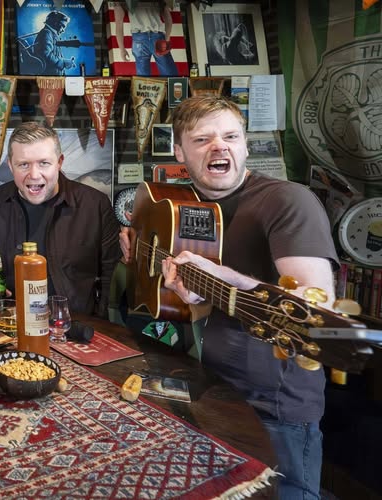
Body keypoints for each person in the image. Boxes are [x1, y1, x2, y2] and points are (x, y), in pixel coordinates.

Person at [121, 96, 335, 499]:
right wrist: (138, 247)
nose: (219, 146)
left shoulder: (287, 201)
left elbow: (315, 308)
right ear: (179, 152)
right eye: (202, 139)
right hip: (209, 391)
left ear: (246, 146)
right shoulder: (183, 203)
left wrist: (225, 278)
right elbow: (186, 291)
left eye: (231, 137)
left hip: (273, 407)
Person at [0, 121, 121, 316]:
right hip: (8, 326)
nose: (34, 175)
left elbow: (112, 273)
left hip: (76, 327)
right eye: (23, 164)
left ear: (59, 162)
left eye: (44, 163)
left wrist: (101, 324)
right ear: (10, 166)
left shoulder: (95, 205)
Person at [112, 1, 178, 76]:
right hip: (156, 35)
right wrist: (167, 39)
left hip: (138, 38)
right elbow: (168, 19)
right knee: (170, 75)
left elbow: (119, 24)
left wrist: (122, 49)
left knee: (143, 78)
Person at [33, 11, 77, 75]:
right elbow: (45, 54)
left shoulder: (50, 34)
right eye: (63, 26)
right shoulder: (47, 33)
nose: (63, 30)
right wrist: (63, 63)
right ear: (55, 23)